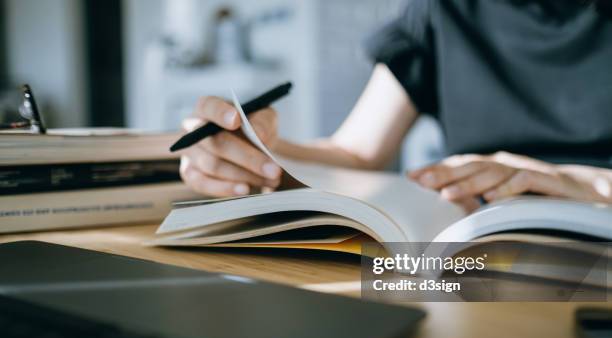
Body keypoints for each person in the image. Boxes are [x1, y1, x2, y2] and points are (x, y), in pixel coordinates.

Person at [179, 0, 612, 212]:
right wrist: (251, 149)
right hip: (483, 261)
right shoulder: (445, 11)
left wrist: (586, 184)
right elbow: (357, 154)